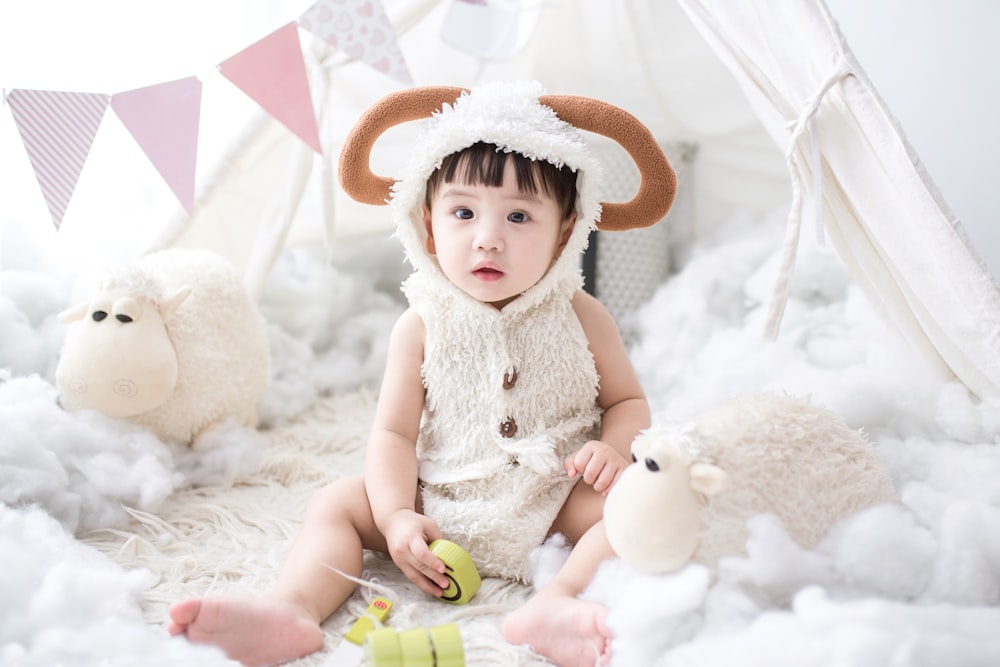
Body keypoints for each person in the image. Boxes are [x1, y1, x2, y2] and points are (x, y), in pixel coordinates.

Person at [167, 81, 675, 667]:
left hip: (553, 501)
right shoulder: (420, 325)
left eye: (518, 216)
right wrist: (396, 516)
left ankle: (555, 602)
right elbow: (393, 436)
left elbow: (628, 402)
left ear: (566, 232)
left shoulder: (583, 316)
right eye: (463, 212)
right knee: (338, 502)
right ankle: (292, 608)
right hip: (441, 504)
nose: (488, 238)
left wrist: (613, 450)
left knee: (639, 501)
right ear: (428, 226)